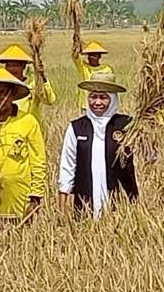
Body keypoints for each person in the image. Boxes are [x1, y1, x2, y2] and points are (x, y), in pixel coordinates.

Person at [0, 68, 48, 230]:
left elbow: (38, 161)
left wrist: (35, 198)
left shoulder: (28, 121)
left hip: (19, 200)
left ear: (12, 95)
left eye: (3, 93)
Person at [58, 72, 138, 218]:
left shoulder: (127, 125)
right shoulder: (76, 128)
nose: (97, 102)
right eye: (93, 96)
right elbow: (67, 168)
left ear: (113, 99)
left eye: (103, 97)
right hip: (84, 206)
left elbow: (150, 155)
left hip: (121, 209)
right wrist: (61, 212)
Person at [0, 44, 56, 123]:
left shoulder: (33, 85)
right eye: (9, 65)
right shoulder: (0, 88)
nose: (12, 69)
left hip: (30, 131)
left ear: (23, 66)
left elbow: (49, 100)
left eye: (15, 65)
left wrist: (42, 76)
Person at [71, 41, 113, 110]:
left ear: (99, 56)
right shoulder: (84, 67)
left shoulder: (107, 69)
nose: (91, 57)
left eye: (94, 55)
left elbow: (110, 87)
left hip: (102, 104)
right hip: (86, 105)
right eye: (90, 55)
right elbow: (75, 56)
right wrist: (77, 42)